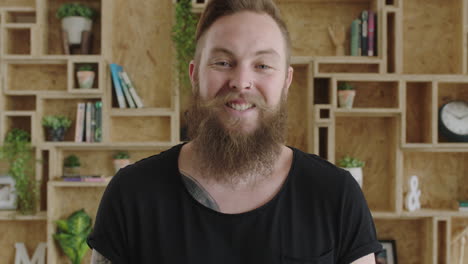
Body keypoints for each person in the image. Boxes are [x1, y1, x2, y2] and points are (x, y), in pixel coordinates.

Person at [87, 0, 382, 263]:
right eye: (223, 62)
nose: (241, 82)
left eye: (263, 65)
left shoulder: (335, 195)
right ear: (194, 75)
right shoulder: (131, 195)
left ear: (286, 82)